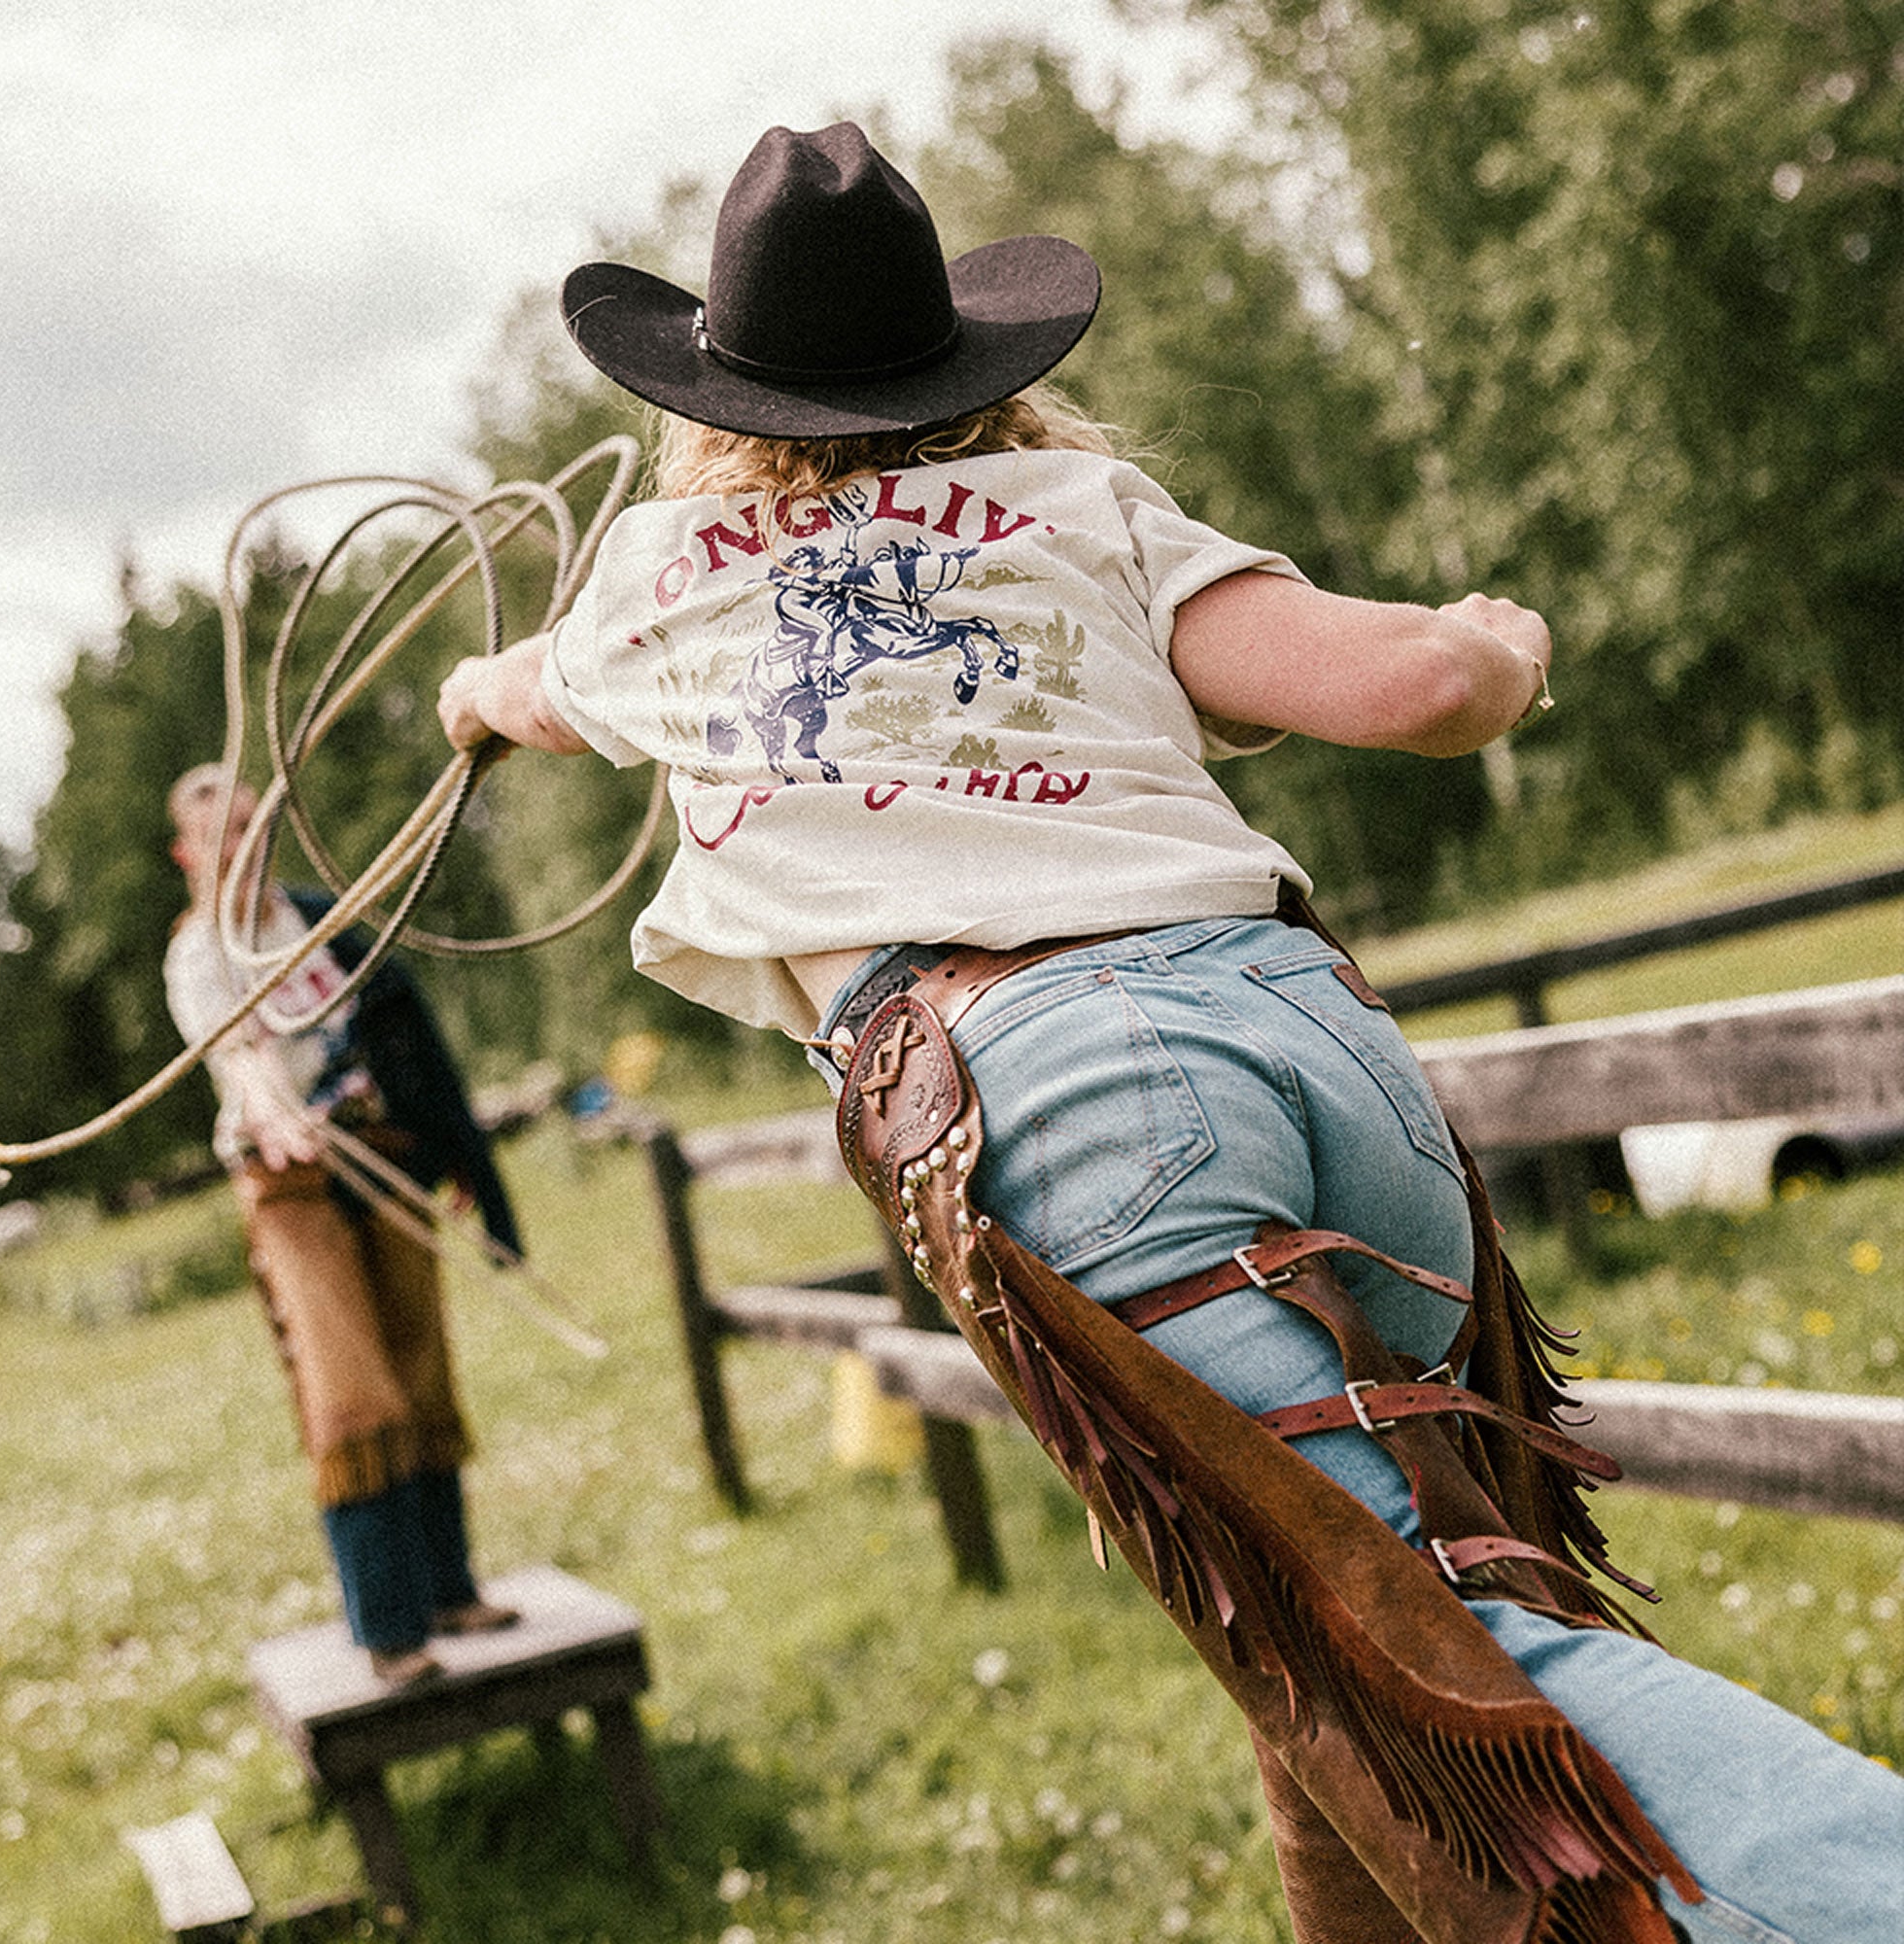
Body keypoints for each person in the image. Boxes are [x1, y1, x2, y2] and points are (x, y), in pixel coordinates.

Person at [435, 123, 1904, 1942]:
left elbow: (523, 694)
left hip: (1070, 1112)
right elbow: (1419, 684)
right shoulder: (1085, 512)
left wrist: (469, 698)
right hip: (1316, 1046)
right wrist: (1501, 645)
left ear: (715, 400)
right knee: (1337, 1638)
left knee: (1425, 1651)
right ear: (966, 366)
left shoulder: (659, 577)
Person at [164, 764, 521, 1689]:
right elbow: (240, 1056)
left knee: (422, 1367)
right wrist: (271, 1106)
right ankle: (389, 1629)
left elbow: (411, 1040)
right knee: (350, 1391)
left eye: (251, 823)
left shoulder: (324, 922)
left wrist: (465, 1164)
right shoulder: (199, 959)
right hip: (289, 1182)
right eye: (220, 832)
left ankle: (449, 1591)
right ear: (188, 855)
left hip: (382, 1156)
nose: (242, 845)